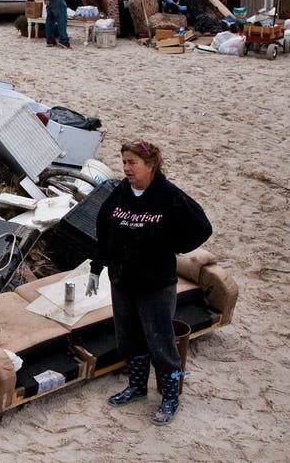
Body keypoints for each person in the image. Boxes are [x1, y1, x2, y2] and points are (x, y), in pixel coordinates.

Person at [85, 139, 212, 426]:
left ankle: (170, 397)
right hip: (122, 281)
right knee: (128, 338)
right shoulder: (119, 193)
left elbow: (202, 227)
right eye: (124, 162)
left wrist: (174, 246)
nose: (126, 168)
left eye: (132, 163)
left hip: (155, 285)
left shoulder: (169, 196)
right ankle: (137, 388)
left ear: (150, 164)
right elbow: (104, 230)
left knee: (161, 342)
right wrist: (96, 268)